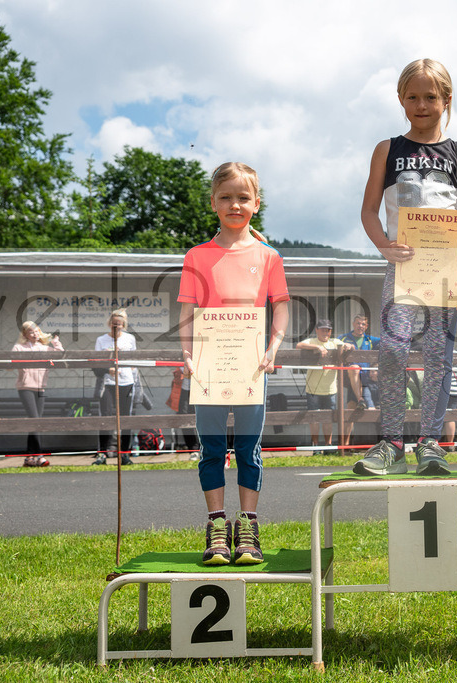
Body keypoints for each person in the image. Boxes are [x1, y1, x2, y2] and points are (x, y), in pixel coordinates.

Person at [352, 57, 457, 476]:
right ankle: (391, 442)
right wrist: (384, 246)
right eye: (413, 96)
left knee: (437, 355)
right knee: (391, 349)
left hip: (445, 268)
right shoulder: (387, 149)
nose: (421, 104)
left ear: (446, 99)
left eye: (431, 96)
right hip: (403, 268)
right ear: (400, 99)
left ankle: (430, 442)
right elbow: (369, 211)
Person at [178, 161, 290, 566]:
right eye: (226, 197)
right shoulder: (197, 256)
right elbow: (188, 313)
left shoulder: (269, 257)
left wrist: (273, 346)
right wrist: (188, 352)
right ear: (213, 203)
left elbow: (280, 308)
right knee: (210, 449)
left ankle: (248, 528)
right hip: (208, 368)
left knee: (248, 449)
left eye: (243, 197)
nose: (234, 204)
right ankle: (216, 527)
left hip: (250, 369)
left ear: (256, 203)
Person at [296, 319, 354, 452]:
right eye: (322, 329)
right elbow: (298, 345)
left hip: (330, 389)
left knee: (328, 419)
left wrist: (348, 347)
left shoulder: (335, 342)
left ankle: (328, 446)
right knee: (314, 419)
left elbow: (351, 346)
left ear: (330, 331)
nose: (325, 332)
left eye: (327, 330)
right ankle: (315, 447)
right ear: (316, 330)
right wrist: (317, 347)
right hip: (313, 389)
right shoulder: (312, 341)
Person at [12, 321, 63, 466]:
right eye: (31, 332)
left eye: (36, 331)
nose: (34, 334)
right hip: (26, 387)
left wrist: (56, 342)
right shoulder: (19, 347)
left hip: (41, 388)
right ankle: (40, 456)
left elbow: (59, 356)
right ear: (25, 335)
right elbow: (11, 364)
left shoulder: (45, 348)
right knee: (35, 420)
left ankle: (29, 458)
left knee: (36, 422)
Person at [94, 309, 136, 466]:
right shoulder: (101, 340)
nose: (116, 326)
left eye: (119, 324)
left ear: (124, 325)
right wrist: (108, 369)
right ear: (109, 324)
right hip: (108, 383)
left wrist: (126, 367)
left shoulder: (130, 339)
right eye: (113, 323)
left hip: (126, 382)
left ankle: (125, 454)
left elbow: (134, 361)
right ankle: (102, 454)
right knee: (106, 418)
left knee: (126, 418)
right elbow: (96, 364)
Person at [338, 314, 379, 446]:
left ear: (366, 326)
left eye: (363, 324)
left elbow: (387, 342)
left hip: (366, 380)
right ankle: (344, 445)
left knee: (351, 412)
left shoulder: (370, 340)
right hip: (350, 380)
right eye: (358, 323)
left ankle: (346, 445)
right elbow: (334, 342)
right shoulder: (345, 337)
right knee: (350, 412)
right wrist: (343, 344)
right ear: (353, 324)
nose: (360, 326)